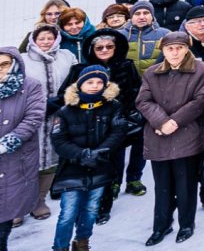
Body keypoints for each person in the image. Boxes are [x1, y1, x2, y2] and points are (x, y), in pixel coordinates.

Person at [136, 32, 204, 246]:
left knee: (186, 184)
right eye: (170, 48)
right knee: (162, 186)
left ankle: (187, 224)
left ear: (187, 48)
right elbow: (143, 101)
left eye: (179, 47)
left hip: (187, 135)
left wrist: (174, 122)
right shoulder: (152, 73)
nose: (175, 52)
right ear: (163, 50)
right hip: (158, 135)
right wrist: (161, 122)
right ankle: (161, 225)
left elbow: (200, 101)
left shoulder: (202, 70)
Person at [49, 65, 127, 251]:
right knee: (68, 213)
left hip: (100, 166)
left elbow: (117, 132)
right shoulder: (65, 111)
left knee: (91, 209)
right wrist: (82, 154)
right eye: (90, 82)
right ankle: (60, 247)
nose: (95, 86)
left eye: (99, 82)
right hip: (72, 168)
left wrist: (99, 152)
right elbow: (59, 140)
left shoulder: (113, 106)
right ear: (80, 84)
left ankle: (82, 241)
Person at [24, 24, 77, 219]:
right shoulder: (23, 60)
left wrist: (63, 101)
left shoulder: (66, 57)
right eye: (41, 38)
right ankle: (20, 204)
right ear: (33, 40)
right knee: (28, 160)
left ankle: (39, 200)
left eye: (50, 38)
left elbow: (75, 82)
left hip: (59, 116)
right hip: (31, 117)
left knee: (52, 160)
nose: (46, 42)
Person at [0, 46, 46, 251]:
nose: (0, 70)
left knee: (5, 213)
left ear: (15, 64)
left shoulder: (30, 86)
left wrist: (9, 141)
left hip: (15, 158)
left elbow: (34, 117)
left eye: (4, 64)